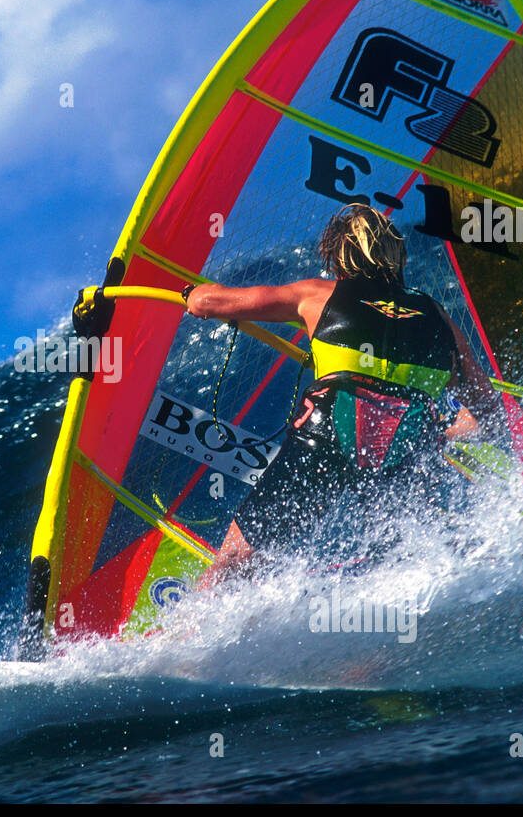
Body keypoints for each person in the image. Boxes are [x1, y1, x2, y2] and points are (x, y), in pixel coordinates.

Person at [183, 203, 504, 575]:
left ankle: (196, 629)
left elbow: (208, 303)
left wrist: (191, 292)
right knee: (416, 557)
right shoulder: (438, 317)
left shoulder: (317, 295)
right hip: (406, 445)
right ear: (398, 254)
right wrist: (442, 434)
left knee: (238, 562)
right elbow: (489, 412)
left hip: (330, 432)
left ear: (337, 256)